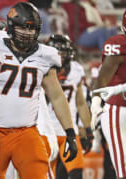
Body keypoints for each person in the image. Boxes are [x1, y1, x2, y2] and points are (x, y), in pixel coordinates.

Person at [0, 2, 78, 179]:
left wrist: (70, 133)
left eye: (32, 29)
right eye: (22, 28)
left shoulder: (46, 56)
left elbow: (57, 96)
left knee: (37, 172)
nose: (27, 33)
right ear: (10, 27)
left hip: (26, 132)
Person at [46, 34, 93, 179]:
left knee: (76, 172)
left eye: (63, 53)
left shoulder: (76, 70)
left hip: (68, 130)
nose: (60, 57)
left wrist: (88, 128)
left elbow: (80, 102)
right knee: (48, 174)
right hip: (46, 130)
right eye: (57, 52)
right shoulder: (41, 67)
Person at [91, 9, 126, 179]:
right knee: (123, 169)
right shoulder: (119, 44)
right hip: (119, 110)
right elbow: (103, 77)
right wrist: (96, 103)